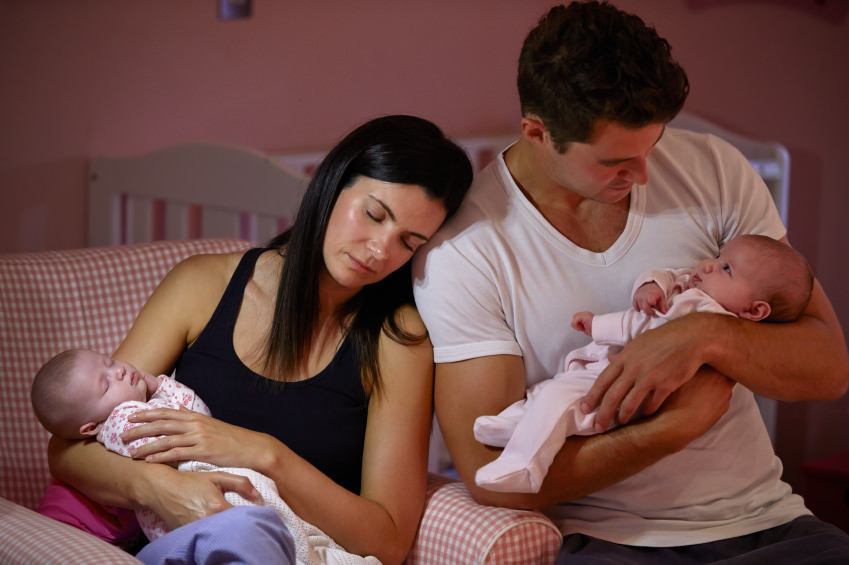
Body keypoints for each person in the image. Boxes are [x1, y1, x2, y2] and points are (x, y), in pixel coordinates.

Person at [412, 2, 849, 562]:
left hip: (769, 521)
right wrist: (671, 429)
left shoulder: (715, 169)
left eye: (653, 146)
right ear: (538, 132)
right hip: (606, 541)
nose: (643, 174)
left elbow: (828, 367)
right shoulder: (466, 251)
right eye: (615, 161)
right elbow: (492, 476)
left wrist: (702, 337)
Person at [46, 114, 473, 565]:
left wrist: (264, 454)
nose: (380, 250)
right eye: (374, 214)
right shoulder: (201, 286)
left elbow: (388, 540)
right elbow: (69, 447)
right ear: (331, 185)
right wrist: (162, 488)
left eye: (409, 242)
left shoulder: (398, 338)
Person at [474, 234, 814, 493]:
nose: (708, 265)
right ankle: (514, 427)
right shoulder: (698, 293)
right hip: (607, 372)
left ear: (755, 310)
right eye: (718, 257)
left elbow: (644, 327)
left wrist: (597, 325)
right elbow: (672, 276)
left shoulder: (709, 313)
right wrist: (652, 285)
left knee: (559, 402)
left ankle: (524, 466)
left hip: (625, 390)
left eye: (726, 269)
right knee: (548, 393)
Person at [32, 348, 378, 565]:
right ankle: (310, 557)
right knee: (265, 520)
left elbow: (198, 415)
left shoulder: (144, 403)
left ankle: (318, 553)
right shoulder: (119, 424)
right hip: (195, 491)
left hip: (213, 476)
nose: (119, 371)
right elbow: (179, 433)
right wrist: (164, 397)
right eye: (105, 384)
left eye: (109, 362)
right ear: (90, 427)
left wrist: (161, 386)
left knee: (278, 515)